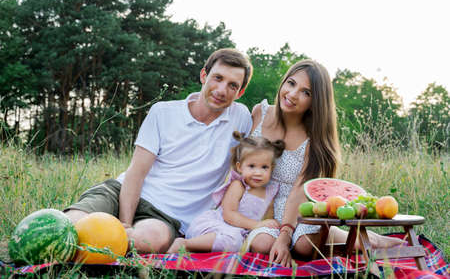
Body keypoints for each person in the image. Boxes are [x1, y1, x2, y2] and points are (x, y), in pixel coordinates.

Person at [64, 48, 254, 254]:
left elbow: (275, 118)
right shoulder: (163, 112)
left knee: (144, 241)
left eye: (232, 85)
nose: (221, 90)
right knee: (69, 225)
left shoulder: (241, 118)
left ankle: (98, 249)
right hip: (121, 192)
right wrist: (125, 223)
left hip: (167, 217)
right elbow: (136, 172)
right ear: (203, 75)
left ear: (240, 92)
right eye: (217, 78)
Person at [246, 59, 403, 267]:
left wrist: (285, 235)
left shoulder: (313, 138)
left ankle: (371, 240)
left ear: (315, 102)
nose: (292, 94)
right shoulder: (259, 112)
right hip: (260, 204)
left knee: (303, 246)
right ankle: (347, 238)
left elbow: (299, 192)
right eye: (291, 83)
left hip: (297, 206)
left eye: (306, 93)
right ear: (284, 81)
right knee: (263, 243)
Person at [167, 131, 285, 254]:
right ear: (240, 167)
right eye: (251, 166)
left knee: (235, 241)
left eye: (264, 167)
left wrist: (270, 224)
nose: (258, 172)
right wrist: (256, 225)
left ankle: (197, 250)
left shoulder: (270, 192)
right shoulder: (238, 186)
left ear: (272, 168)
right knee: (233, 240)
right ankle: (186, 244)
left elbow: (268, 218)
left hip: (239, 232)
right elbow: (229, 214)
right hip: (219, 225)